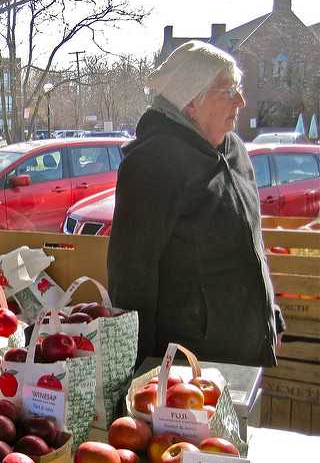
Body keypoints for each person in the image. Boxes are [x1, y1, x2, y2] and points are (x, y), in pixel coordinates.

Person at [107, 41, 284, 368]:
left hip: (247, 347)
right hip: (189, 364)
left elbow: (251, 241)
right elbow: (131, 276)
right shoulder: (152, 163)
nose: (241, 101)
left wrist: (269, 315)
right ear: (190, 101)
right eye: (228, 91)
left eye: (239, 89)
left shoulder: (233, 149)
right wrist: (140, 367)